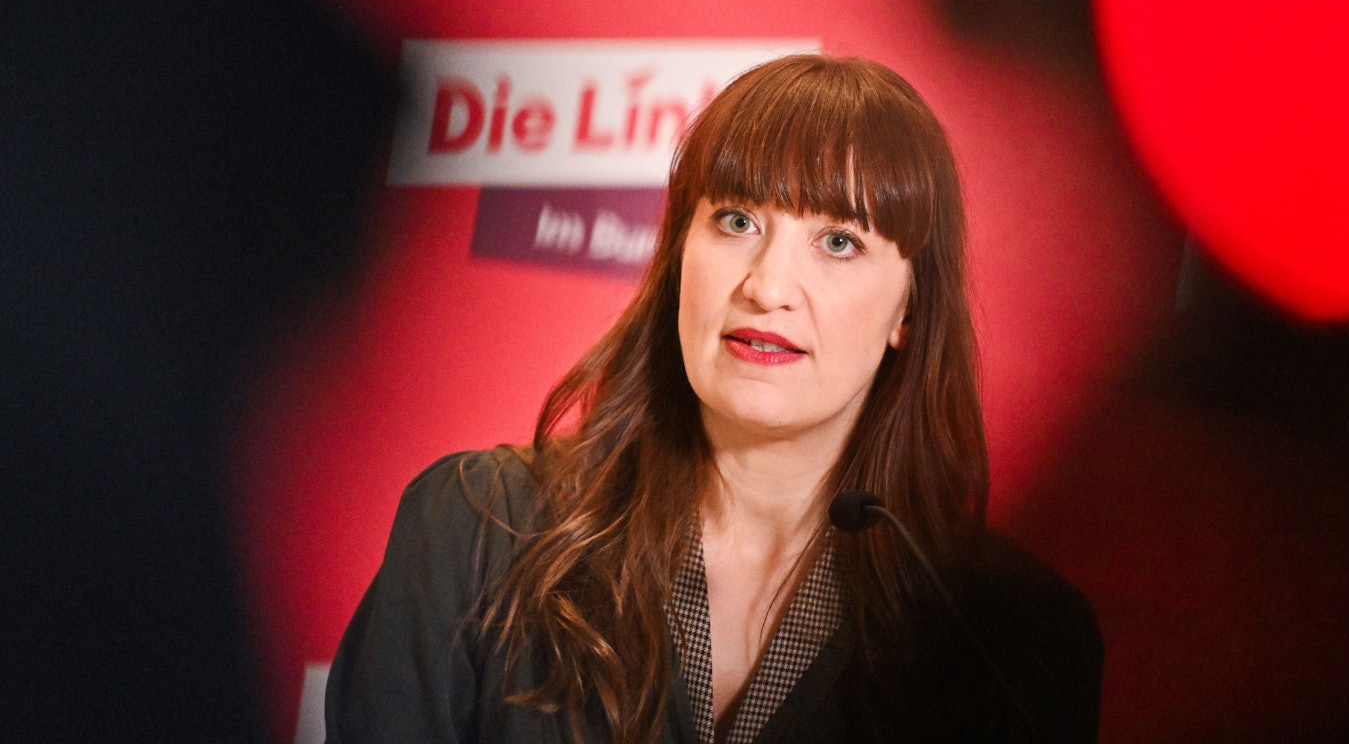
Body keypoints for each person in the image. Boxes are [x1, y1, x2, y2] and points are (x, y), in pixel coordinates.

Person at [324, 54, 1102, 744]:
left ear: (909, 310)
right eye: (736, 221)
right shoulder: (474, 528)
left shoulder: (1010, 641)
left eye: (839, 242)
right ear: (677, 259)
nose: (765, 286)